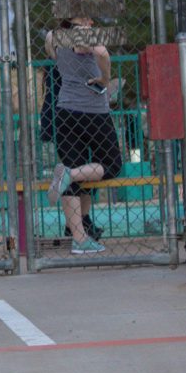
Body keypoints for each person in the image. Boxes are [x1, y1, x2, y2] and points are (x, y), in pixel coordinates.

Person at [44, 15, 122, 254]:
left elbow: (53, 55)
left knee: (72, 166)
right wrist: (105, 79)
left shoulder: (53, 36)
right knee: (112, 164)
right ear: (75, 17)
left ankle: (79, 239)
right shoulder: (86, 35)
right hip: (93, 112)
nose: (90, 20)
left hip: (65, 109)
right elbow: (103, 53)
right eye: (85, 15)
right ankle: (70, 173)